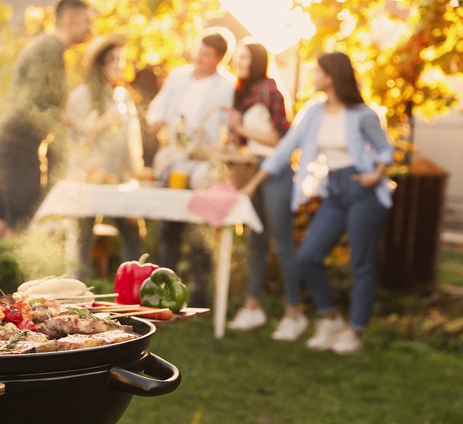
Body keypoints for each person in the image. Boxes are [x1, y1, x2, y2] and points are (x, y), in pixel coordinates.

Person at [240, 51, 394, 354]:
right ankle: (330, 318)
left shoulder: (362, 114)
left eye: (317, 70)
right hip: (335, 191)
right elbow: (284, 149)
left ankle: (356, 331)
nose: (313, 75)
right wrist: (253, 184)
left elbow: (384, 149)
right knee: (307, 257)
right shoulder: (313, 112)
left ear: (331, 77)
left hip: (362, 192)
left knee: (361, 264)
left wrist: (376, 175)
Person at [0, 0, 92, 241]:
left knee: (3, 218)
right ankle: (8, 278)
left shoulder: (48, 47)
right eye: (87, 21)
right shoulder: (49, 49)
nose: (90, 28)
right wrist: (73, 127)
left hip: (11, 141)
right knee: (19, 224)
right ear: (70, 17)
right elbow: (32, 104)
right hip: (21, 143)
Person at [145, 30, 235, 307]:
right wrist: (157, 120)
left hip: (202, 164)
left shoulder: (227, 86)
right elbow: (158, 106)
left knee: (199, 227)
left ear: (219, 59)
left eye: (207, 55)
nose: (199, 58)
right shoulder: (179, 76)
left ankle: (200, 292)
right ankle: (162, 290)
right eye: (199, 51)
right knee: (169, 226)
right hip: (173, 159)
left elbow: (230, 127)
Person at [224, 41, 306, 341]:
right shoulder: (243, 93)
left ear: (257, 60)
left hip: (276, 173)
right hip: (251, 170)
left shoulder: (270, 90)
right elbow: (248, 142)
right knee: (255, 241)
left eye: (244, 57)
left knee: (282, 243)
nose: (238, 61)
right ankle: (252, 307)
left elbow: (278, 139)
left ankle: (294, 312)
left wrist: (242, 129)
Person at [64, 34, 144, 277]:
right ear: (99, 63)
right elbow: (74, 140)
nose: (118, 65)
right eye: (112, 60)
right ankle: (78, 293)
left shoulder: (122, 96)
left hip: (118, 180)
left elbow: (132, 139)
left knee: (133, 233)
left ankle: (135, 286)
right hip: (89, 179)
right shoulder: (83, 94)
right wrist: (101, 123)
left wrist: (137, 169)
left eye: (121, 60)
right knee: (83, 237)